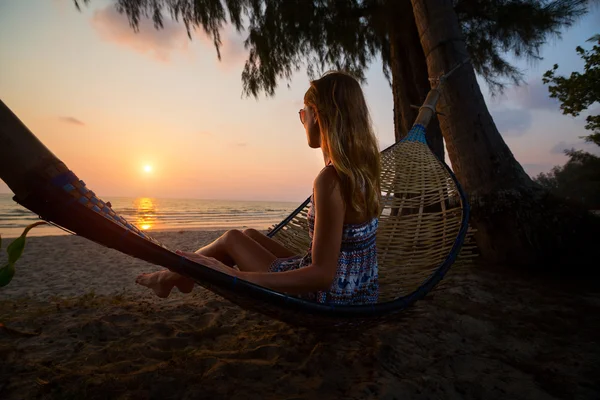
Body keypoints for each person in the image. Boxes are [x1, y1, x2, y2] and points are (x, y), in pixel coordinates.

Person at [136, 71, 381, 305]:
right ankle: (179, 277)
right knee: (250, 235)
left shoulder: (329, 180)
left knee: (233, 238)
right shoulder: (365, 170)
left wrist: (232, 275)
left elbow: (321, 275)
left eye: (302, 112)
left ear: (316, 114)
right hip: (360, 290)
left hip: (329, 297)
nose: (302, 120)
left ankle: (170, 277)